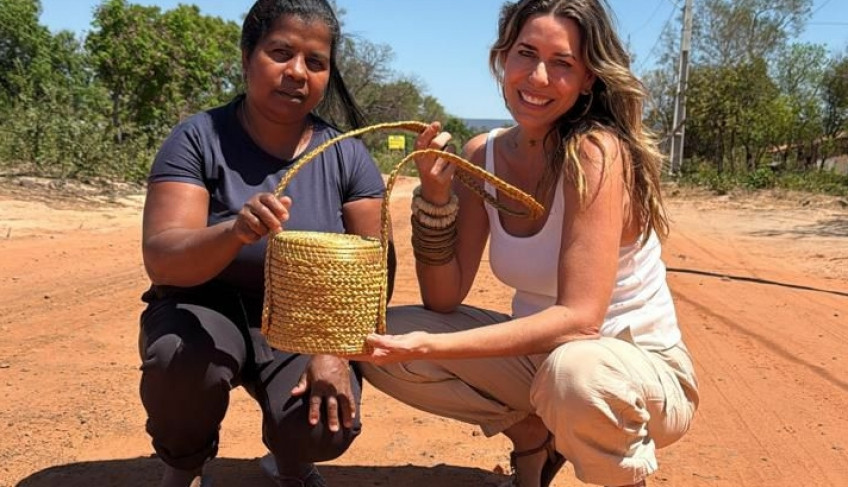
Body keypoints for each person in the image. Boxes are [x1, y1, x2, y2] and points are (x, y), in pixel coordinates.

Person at [353, 1, 699, 486]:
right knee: (383, 338)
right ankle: (532, 434)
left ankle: (625, 478)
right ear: (502, 58)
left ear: (588, 79)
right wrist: (434, 199)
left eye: (563, 63)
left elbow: (581, 321)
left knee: (574, 373)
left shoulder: (596, 152)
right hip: (547, 364)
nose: (537, 77)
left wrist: (434, 343)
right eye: (526, 53)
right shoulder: (484, 155)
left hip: (635, 373)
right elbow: (444, 297)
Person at [137, 1, 396, 486]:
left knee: (324, 423)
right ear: (246, 57)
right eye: (281, 53)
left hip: (305, 321)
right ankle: (184, 464)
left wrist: (334, 351)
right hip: (203, 306)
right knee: (179, 360)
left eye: (315, 62)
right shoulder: (198, 138)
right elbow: (163, 259)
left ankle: (293, 459)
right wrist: (235, 231)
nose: (297, 72)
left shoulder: (347, 154)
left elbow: (376, 267)